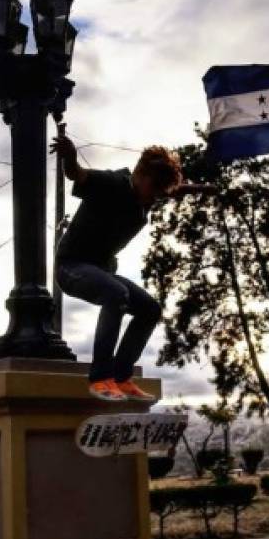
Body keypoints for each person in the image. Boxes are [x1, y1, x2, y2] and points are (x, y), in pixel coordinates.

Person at [50, 135, 216, 403]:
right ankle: (100, 379)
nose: (155, 199)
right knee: (115, 294)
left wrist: (209, 189)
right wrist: (69, 155)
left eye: (161, 193)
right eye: (154, 190)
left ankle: (121, 376)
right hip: (71, 268)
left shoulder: (149, 194)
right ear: (139, 175)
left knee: (150, 309)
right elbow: (77, 174)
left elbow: (179, 189)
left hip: (100, 272)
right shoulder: (112, 184)